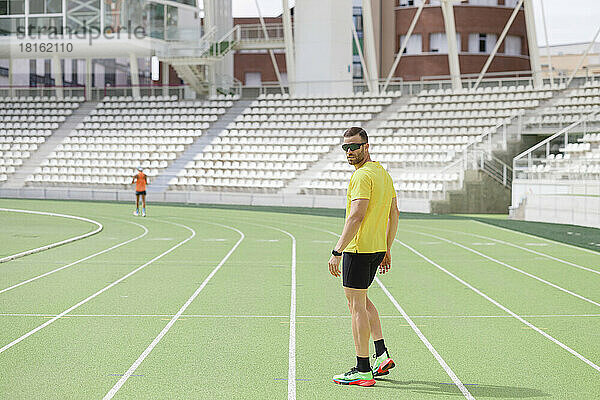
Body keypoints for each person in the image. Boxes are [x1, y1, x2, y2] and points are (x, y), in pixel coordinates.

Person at [328, 127, 399, 387]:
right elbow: (395, 214)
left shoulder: (362, 176)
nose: (349, 152)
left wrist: (337, 251)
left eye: (354, 146)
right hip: (376, 248)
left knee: (355, 306)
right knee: (363, 300)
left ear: (366, 146)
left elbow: (356, 215)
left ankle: (362, 369)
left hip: (358, 250)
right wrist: (387, 247)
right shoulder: (382, 173)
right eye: (345, 147)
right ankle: (381, 355)